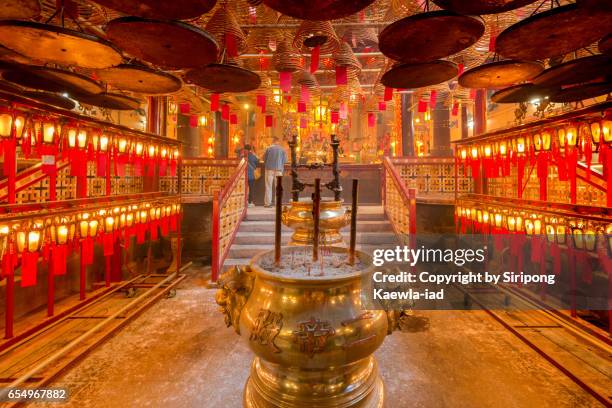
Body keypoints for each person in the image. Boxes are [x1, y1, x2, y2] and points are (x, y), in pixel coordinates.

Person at [263, 137, 287, 208]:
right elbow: (285, 160)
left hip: (269, 169)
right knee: (278, 187)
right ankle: (278, 203)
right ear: (278, 142)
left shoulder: (268, 148)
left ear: (273, 141)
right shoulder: (282, 149)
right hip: (279, 170)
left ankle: (268, 203)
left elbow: (264, 159)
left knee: (268, 186)